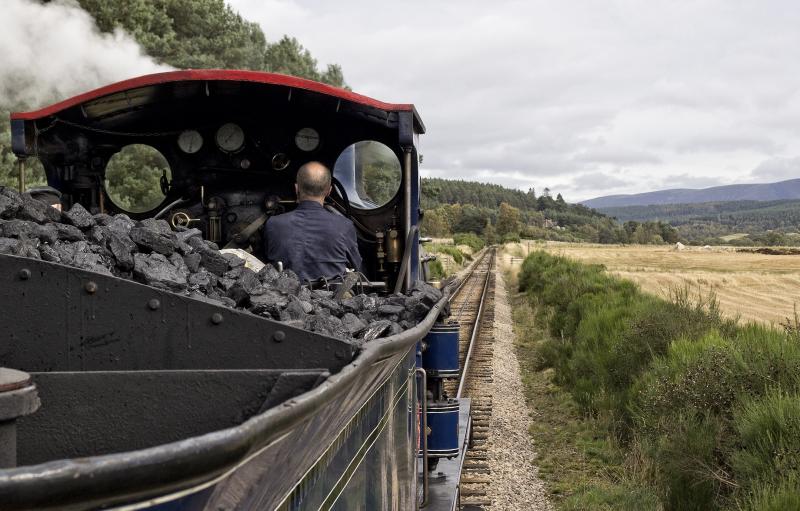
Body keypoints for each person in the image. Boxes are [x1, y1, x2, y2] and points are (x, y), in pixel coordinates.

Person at [264, 161, 362, 281]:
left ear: (296, 188)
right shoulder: (345, 226)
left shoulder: (273, 224)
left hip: (286, 297)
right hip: (333, 298)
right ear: (329, 191)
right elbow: (357, 267)